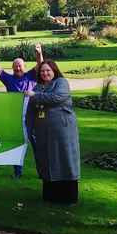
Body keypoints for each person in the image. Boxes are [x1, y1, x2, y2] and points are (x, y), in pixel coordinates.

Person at [24, 60, 80, 204]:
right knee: (47, 160)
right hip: (44, 133)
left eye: (48, 70)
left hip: (63, 131)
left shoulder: (61, 82)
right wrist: (28, 130)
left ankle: (68, 197)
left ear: (54, 70)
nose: (45, 73)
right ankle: (51, 196)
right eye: (42, 71)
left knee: (65, 159)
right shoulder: (38, 87)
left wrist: (34, 95)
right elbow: (30, 111)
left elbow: (57, 97)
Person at [0, 41, 43, 178]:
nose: (18, 68)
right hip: (16, 119)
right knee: (17, 147)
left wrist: (39, 53)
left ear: (24, 67)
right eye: (15, 66)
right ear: (12, 68)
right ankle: (17, 173)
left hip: (32, 118)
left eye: (20, 66)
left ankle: (42, 172)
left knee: (37, 147)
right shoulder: (9, 79)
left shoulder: (31, 76)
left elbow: (40, 65)